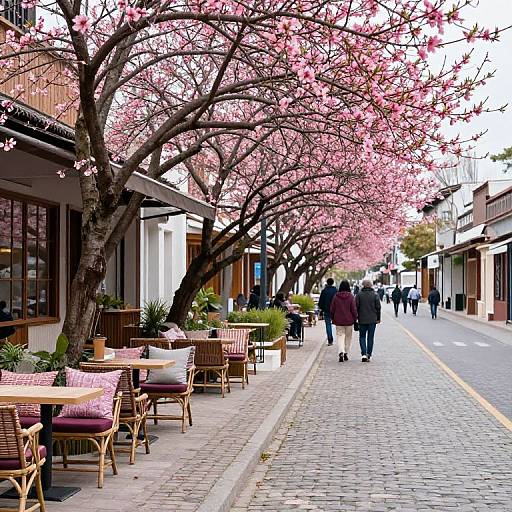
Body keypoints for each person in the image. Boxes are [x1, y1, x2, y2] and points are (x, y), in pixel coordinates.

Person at [330, 280, 357, 362]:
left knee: (340, 336)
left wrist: (332, 317)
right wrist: (355, 317)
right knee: (348, 337)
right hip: (349, 321)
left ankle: (341, 351)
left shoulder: (336, 297)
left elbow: (332, 309)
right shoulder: (351, 297)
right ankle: (346, 352)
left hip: (338, 320)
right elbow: (354, 309)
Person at [355, 279, 381, 362]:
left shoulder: (359, 295)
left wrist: (356, 318)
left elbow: (356, 307)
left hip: (362, 319)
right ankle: (369, 354)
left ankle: (363, 353)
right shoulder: (375, 295)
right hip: (372, 320)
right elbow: (378, 307)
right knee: (370, 337)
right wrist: (378, 318)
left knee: (362, 336)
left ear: (363, 285)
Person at [318, 278, 337, 346]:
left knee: (328, 325)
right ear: (333, 283)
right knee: (337, 325)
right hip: (335, 311)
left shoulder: (324, 291)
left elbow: (321, 302)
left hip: (326, 310)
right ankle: (340, 338)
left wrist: (321, 309)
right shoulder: (336, 290)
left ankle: (330, 339)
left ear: (327, 283)